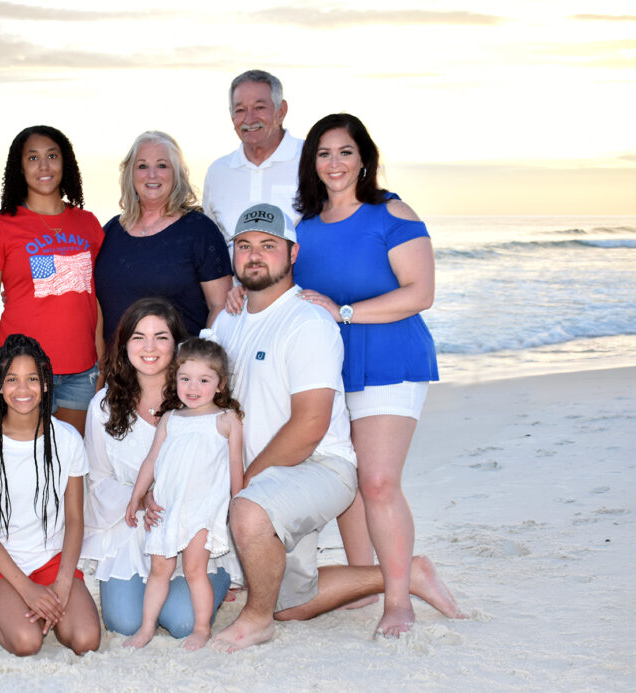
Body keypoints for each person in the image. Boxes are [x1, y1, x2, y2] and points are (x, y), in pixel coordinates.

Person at [209, 204, 463, 652]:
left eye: (269, 246)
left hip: (319, 467)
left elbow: (310, 425)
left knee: (247, 514)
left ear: (292, 254)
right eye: (245, 246)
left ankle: (255, 621)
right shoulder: (228, 321)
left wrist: (246, 485)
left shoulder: (307, 321)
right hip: (272, 478)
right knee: (290, 603)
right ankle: (408, 574)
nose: (254, 256)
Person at [292, 113, 439, 636]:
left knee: (377, 483)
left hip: (389, 359)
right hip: (330, 369)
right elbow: (289, 293)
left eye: (345, 151)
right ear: (312, 163)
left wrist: (346, 312)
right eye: (324, 153)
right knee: (347, 482)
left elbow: (419, 293)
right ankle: (371, 580)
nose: (335, 163)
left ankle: (398, 602)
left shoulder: (388, 211)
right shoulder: (303, 229)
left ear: (364, 158)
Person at [80, 298, 239, 640]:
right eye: (138, 337)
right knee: (124, 623)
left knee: (182, 622)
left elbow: (225, 472)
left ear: (177, 345)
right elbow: (98, 480)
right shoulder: (104, 406)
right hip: (133, 527)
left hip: (189, 526)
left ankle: (221, 578)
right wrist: (142, 500)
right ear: (124, 346)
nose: (149, 347)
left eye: (161, 337)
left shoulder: (198, 399)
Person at [0, 334, 101, 656]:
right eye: (12, 379)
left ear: (47, 384)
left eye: (32, 379)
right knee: (28, 643)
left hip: (50, 558)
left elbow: (75, 519)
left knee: (86, 640)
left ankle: (15, 606)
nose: (22, 389)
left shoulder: (67, 439)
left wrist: (64, 582)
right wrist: (27, 591)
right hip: (0, 561)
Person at [0, 125, 104, 436]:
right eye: (32, 158)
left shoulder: (88, 224)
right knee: (26, 467)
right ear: (20, 168)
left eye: (52, 156)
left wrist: (102, 364)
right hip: (21, 374)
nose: (43, 166)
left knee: (70, 465)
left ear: (66, 163)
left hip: (81, 373)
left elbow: (92, 297)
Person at [122, 336, 243, 651]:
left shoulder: (226, 420)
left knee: (194, 569)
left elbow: (235, 466)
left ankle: (201, 628)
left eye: (204, 380)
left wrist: (239, 502)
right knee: (159, 569)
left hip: (202, 510)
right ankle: (147, 627)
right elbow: (151, 460)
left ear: (220, 384)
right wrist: (137, 496)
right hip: (166, 507)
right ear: (174, 380)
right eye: (185, 378)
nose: (193, 387)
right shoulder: (170, 419)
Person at [94, 131, 231, 342]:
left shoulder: (200, 231)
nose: (152, 175)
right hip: (118, 371)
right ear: (129, 174)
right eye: (142, 166)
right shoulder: (110, 232)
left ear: (177, 173)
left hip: (179, 369)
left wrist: (197, 363)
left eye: (162, 165)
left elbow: (220, 307)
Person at [202, 69, 304, 245]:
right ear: (231, 115)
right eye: (240, 110)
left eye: (259, 107)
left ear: (281, 111)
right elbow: (211, 244)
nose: (249, 119)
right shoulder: (218, 172)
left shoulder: (311, 158)